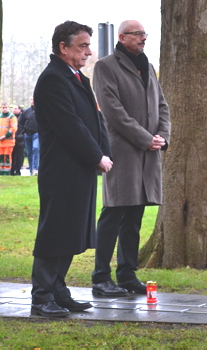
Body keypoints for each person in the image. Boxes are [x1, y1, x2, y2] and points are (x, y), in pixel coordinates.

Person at [31, 20, 113, 318]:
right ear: (63, 47)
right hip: (61, 171)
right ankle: (41, 297)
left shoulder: (78, 77)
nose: (89, 52)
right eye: (83, 46)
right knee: (55, 231)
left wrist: (105, 153)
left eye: (89, 45)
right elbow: (70, 127)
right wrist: (96, 157)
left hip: (79, 170)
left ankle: (58, 291)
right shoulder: (53, 79)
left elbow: (96, 120)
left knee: (71, 232)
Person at [92, 20, 171, 296]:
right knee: (113, 213)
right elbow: (113, 111)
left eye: (144, 34)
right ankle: (100, 277)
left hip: (148, 155)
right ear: (122, 36)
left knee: (134, 216)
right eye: (137, 34)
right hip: (123, 153)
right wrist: (145, 138)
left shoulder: (148, 66)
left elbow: (162, 105)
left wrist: (162, 136)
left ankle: (127, 274)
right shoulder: (106, 66)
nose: (143, 38)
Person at [0, 102, 18, 175]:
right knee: (1, 157)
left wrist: (5, 136)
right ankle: (1, 172)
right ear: (1, 108)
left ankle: (7, 172)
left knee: (7, 157)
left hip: (8, 141)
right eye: (3, 107)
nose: (4, 109)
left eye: (6, 107)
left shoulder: (12, 116)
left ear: (8, 108)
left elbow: (13, 128)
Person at [20, 97, 39, 175]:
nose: (33, 101)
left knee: (35, 148)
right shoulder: (26, 111)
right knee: (29, 153)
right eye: (31, 99)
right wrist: (23, 132)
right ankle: (31, 170)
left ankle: (35, 168)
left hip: (37, 134)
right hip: (27, 134)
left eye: (34, 99)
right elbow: (20, 122)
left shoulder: (41, 111)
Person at [11, 105, 25, 176]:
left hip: (20, 138)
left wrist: (20, 135)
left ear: (19, 109)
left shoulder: (22, 117)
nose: (14, 110)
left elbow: (24, 126)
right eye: (13, 109)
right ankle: (12, 169)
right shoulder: (11, 117)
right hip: (12, 138)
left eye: (16, 108)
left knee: (19, 155)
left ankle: (18, 169)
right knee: (12, 155)